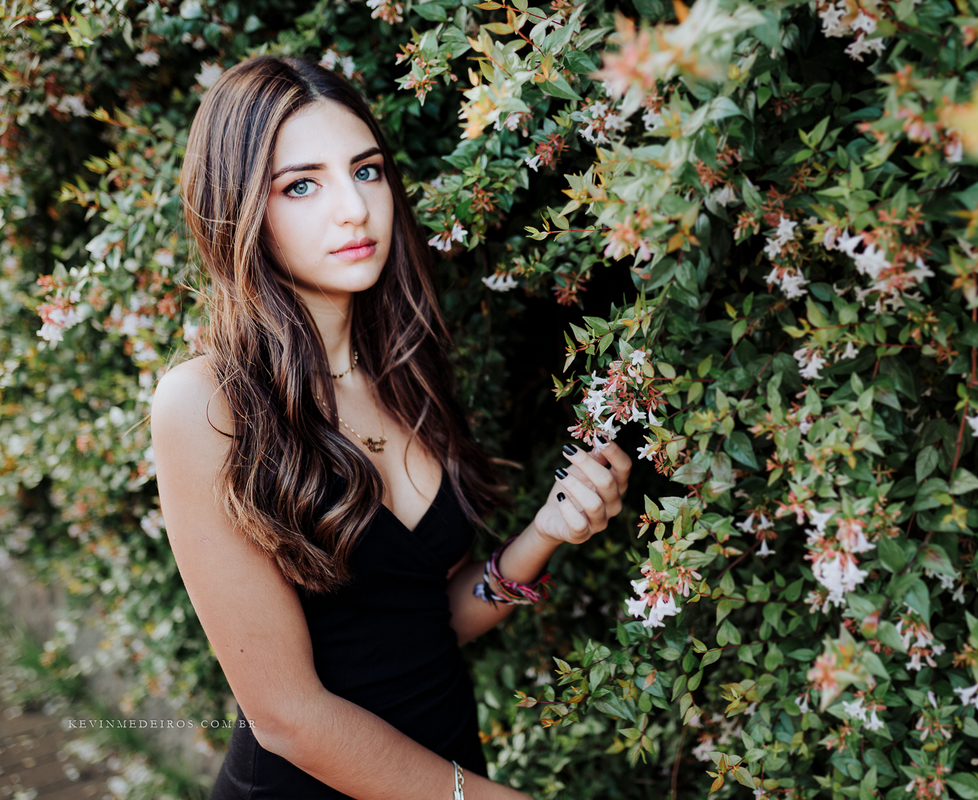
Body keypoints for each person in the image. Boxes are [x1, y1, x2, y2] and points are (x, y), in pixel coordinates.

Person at [150, 55, 631, 800]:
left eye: (366, 171)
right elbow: (286, 715)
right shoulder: (206, 405)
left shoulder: (404, 370)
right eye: (301, 184)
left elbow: (414, 626)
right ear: (238, 208)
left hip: (444, 773)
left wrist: (546, 533)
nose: (353, 207)